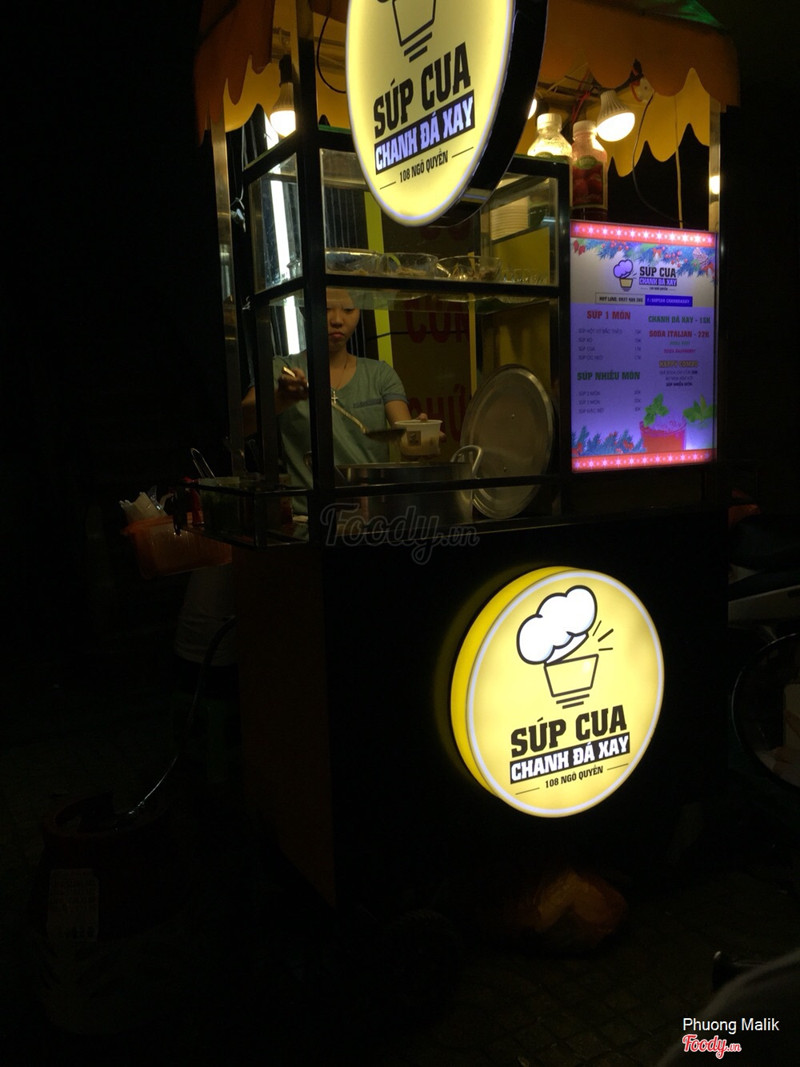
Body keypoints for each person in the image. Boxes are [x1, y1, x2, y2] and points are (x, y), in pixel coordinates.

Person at [243, 288, 417, 517]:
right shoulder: (281, 369)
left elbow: (406, 439)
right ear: (304, 309)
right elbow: (242, 424)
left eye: (348, 310)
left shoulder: (380, 374)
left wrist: (421, 437)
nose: (337, 320)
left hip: (374, 515)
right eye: (325, 309)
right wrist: (281, 399)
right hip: (309, 518)